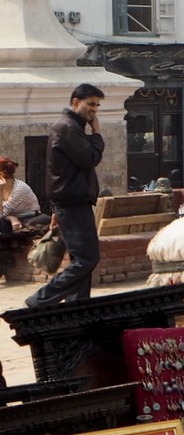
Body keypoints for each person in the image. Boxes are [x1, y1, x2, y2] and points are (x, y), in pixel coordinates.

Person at [26, 84, 106, 308]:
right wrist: (97, 134)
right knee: (87, 259)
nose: (94, 110)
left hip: (72, 202)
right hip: (72, 203)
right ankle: (40, 300)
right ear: (75, 102)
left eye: (97, 105)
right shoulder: (67, 127)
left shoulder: (72, 127)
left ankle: (77, 307)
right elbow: (90, 158)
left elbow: (61, 170)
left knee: (81, 259)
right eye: (90, 104)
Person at [0, 156, 42, 231]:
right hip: (12, 217)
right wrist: (11, 217)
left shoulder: (19, 189)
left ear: (1, 174)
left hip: (28, 218)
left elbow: (1, 214)